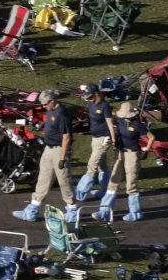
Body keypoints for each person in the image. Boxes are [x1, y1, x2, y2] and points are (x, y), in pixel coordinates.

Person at [12, 89, 76, 222]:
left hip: (59, 150)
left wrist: (63, 158)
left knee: (63, 180)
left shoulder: (62, 114)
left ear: (53, 101)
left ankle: (72, 209)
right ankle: (32, 209)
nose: (44, 106)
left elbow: (67, 137)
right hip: (49, 149)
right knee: (43, 178)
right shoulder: (51, 111)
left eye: (46, 104)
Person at [93, 101, 154, 222]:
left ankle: (135, 212)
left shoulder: (137, 124)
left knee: (131, 183)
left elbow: (151, 137)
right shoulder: (119, 122)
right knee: (113, 180)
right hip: (120, 153)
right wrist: (110, 140)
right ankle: (104, 211)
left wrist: (146, 148)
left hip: (132, 154)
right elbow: (115, 133)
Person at [76, 86, 115, 201]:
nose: (89, 99)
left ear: (97, 94)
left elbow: (110, 124)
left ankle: (80, 192)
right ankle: (105, 191)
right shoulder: (92, 104)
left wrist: (113, 139)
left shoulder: (105, 106)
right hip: (95, 138)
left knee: (92, 164)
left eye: (91, 96)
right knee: (101, 165)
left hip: (104, 138)